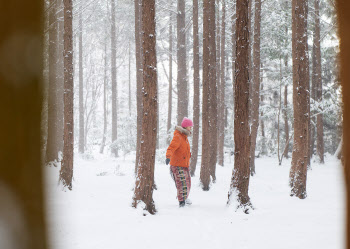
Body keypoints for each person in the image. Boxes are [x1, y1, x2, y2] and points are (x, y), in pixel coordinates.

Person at [166, 117, 193, 207]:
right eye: (189, 127)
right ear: (185, 127)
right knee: (182, 183)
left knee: (188, 183)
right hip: (177, 165)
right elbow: (171, 147)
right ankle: (181, 202)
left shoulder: (185, 137)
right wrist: (168, 157)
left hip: (185, 164)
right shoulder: (178, 136)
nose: (191, 128)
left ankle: (185, 197)